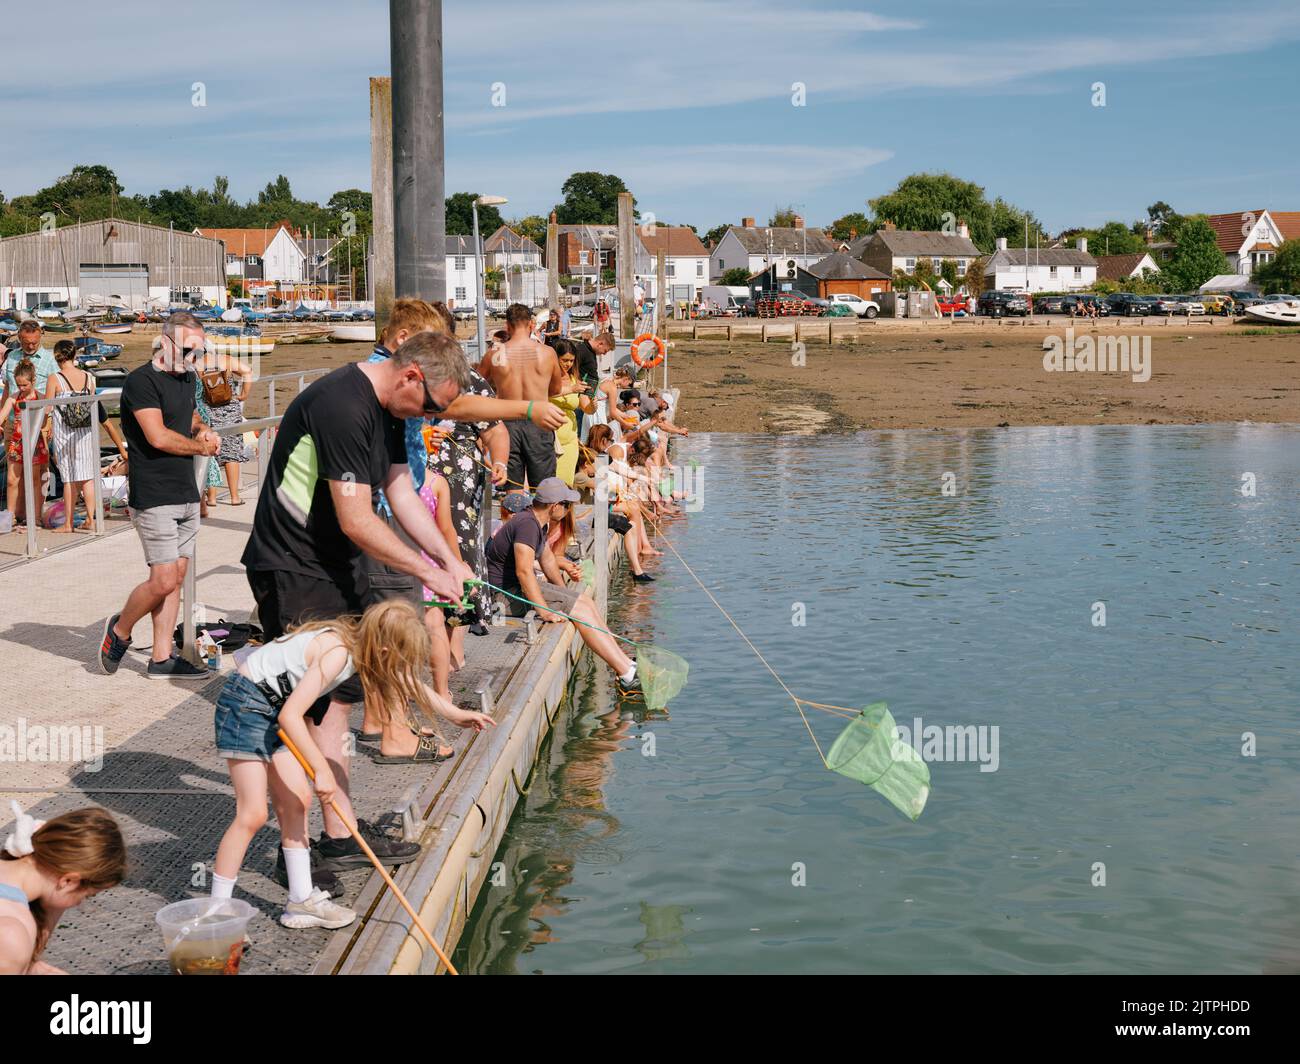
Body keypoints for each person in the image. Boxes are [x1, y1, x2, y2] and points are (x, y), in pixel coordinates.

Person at [240, 330, 476, 873]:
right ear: (411, 375)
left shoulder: (396, 410)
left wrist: (449, 558)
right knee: (300, 707)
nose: (431, 419)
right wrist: (424, 572)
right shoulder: (342, 405)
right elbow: (356, 517)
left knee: (340, 698)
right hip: (294, 565)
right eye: (433, 407)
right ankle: (293, 851)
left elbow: (397, 493)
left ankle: (338, 830)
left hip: (337, 566)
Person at [209, 600, 493, 929]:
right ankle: (217, 912)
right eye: (401, 657)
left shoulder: (366, 643)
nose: (401, 666)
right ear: (385, 646)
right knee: (253, 813)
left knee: (297, 802)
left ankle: (301, 901)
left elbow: (408, 682)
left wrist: (456, 715)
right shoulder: (338, 654)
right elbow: (290, 717)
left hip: (273, 706)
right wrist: (322, 769)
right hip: (246, 705)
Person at [98, 312, 220, 679]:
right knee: (163, 579)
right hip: (154, 495)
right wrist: (200, 450)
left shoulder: (186, 378)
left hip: (185, 491)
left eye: (199, 352)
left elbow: (189, 418)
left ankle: (161, 657)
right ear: (165, 343)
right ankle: (119, 631)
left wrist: (203, 430)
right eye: (187, 351)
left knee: (176, 578)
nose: (193, 359)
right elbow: (158, 436)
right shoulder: (141, 381)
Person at [484, 477, 642, 692]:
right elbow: (523, 571)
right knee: (580, 610)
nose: (569, 510)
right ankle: (626, 674)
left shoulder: (534, 521)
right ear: (554, 506)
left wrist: (565, 594)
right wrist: (544, 610)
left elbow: (547, 560)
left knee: (583, 601)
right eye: (567, 505)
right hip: (503, 596)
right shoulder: (527, 525)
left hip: (514, 590)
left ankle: (625, 664)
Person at [0, 804, 127, 975]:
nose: (78, 904)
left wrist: (30, 968)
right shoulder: (12, 933)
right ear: (68, 880)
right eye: (87, 896)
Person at [477, 303, 580, 502]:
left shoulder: (497, 353)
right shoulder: (546, 353)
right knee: (543, 490)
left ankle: (515, 530)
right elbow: (555, 390)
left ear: (507, 326)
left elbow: (479, 386)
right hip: (539, 420)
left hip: (507, 423)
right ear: (532, 325)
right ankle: (540, 531)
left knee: (512, 491)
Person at [44, 340, 99, 534]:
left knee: (68, 478)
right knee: (87, 478)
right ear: (74, 355)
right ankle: (91, 520)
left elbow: (48, 408)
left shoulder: (55, 378)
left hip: (65, 433)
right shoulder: (89, 377)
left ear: (57, 356)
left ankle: (68, 524)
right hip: (85, 432)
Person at [196, 347, 254, 505]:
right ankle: (234, 497)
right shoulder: (225, 359)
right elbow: (248, 371)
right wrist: (243, 395)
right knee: (232, 452)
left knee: (209, 451)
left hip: (206, 410)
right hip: (230, 408)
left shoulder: (193, 364)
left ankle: (212, 498)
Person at [0, 360, 49, 530]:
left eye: (25, 385)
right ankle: (11, 516)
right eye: (19, 385)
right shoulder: (14, 398)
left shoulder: (41, 397)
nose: (21, 388)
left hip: (34, 441)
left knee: (34, 479)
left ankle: (35, 516)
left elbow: (45, 421)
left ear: (33, 381)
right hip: (18, 441)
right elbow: (2, 415)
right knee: (13, 479)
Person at [550, 339, 596, 487]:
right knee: (548, 483)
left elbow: (585, 407)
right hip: (548, 437)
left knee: (565, 483)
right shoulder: (546, 378)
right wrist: (571, 389)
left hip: (569, 438)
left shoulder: (574, 379)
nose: (568, 364)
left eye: (571, 361)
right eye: (564, 360)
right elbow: (541, 394)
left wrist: (593, 406)